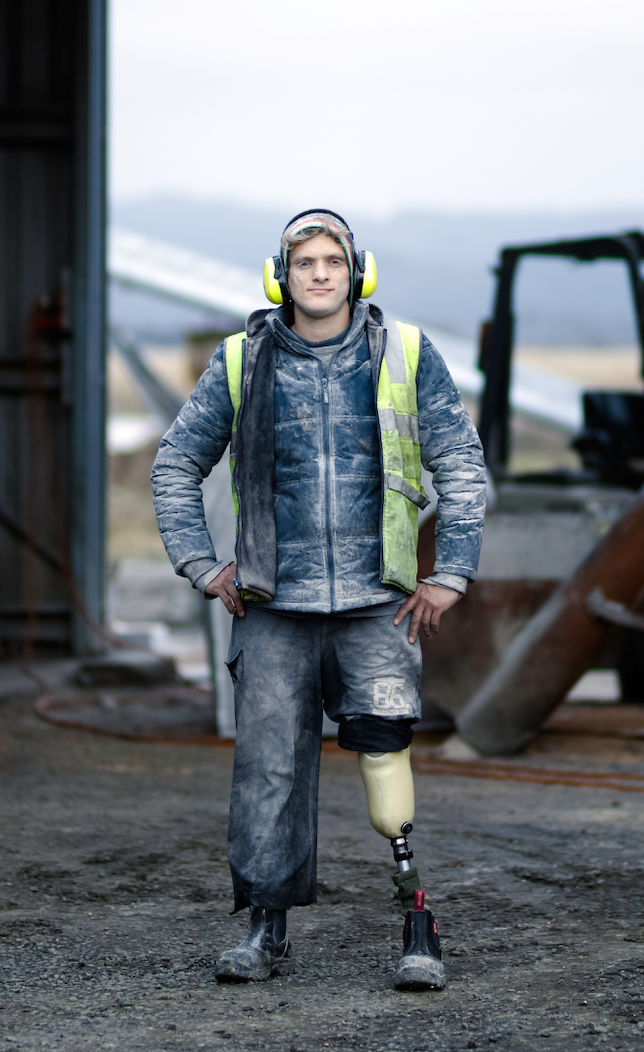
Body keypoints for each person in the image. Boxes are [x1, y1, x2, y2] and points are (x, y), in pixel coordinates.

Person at [151, 209, 486, 990]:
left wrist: (451, 573)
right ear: (282, 277)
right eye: (305, 263)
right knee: (268, 772)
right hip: (273, 607)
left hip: (378, 604)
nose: (321, 274)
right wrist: (201, 565)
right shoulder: (240, 362)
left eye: (333, 260)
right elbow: (174, 466)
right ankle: (266, 931)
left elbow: (460, 464)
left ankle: (418, 922)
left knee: (385, 768)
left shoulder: (404, 352)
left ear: (356, 271)